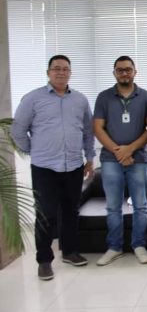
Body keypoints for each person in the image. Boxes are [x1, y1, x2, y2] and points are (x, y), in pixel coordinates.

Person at [11, 54, 95, 281]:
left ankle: (69, 252)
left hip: (74, 165)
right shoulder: (33, 99)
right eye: (56, 68)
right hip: (44, 167)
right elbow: (18, 130)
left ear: (70, 73)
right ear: (48, 72)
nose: (61, 72)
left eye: (65, 69)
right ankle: (45, 260)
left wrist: (89, 158)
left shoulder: (80, 100)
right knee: (46, 214)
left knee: (70, 211)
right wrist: (33, 149)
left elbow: (88, 132)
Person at [93, 56, 147, 266]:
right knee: (112, 207)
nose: (124, 73)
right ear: (114, 73)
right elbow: (98, 128)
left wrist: (130, 150)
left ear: (135, 72)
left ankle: (139, 245)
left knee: (140, 206)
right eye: (120, 70)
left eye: (128, 70)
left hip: (138, 159)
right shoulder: (103, 97)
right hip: (110, 160)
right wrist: (119, 152)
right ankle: (114, 247)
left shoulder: (146, 97)